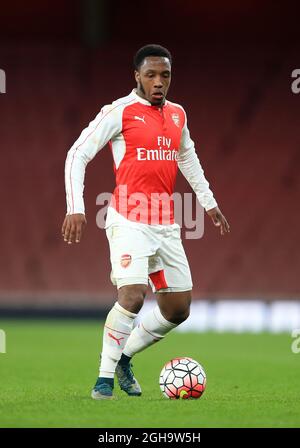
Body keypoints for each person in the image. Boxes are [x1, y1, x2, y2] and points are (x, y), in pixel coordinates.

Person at [62, 44, 230, 400]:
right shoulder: (119, 111)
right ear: (136, 76)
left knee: (178, 308)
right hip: (128, 219)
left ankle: (124, 356)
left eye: (164, 75)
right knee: (133, 295)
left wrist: (209, 203)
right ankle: (104, 379)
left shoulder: (178, 115)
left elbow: (187, 157)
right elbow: (77, 154)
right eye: (151, 74)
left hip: (166, 223)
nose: (158, 82)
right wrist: (75, 206)